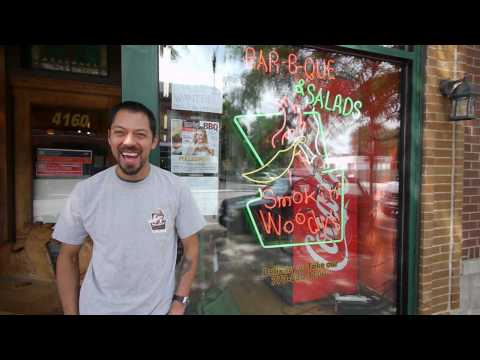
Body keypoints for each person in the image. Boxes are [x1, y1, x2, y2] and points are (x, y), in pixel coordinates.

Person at [54, 101, 206, 315]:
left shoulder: (176, 188)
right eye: (120, 132)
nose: (128, 141)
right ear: (109, 137)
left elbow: (191, 248)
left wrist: (179, 303)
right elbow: (67, 256)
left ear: (154, 141)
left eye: (140, 134)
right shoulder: (86, 192)